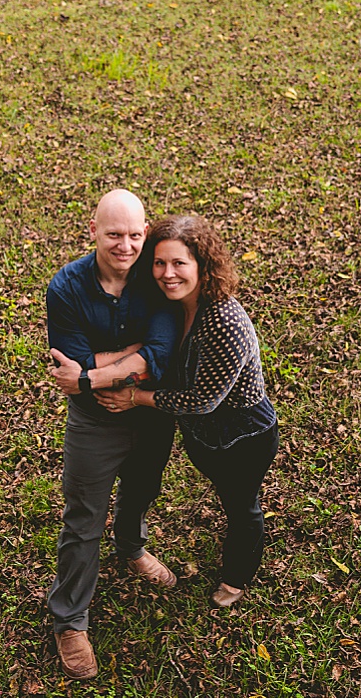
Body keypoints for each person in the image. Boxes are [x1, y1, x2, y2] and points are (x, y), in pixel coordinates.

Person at [88, 215, 279, 608]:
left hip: (240, 436)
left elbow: (201, 400)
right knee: (224, 494)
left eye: (179, 264)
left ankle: (236, 577)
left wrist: (134, 398)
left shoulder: (224, 321)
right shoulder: (173, 305)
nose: (168, 274)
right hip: (201, 434)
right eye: (160, 263)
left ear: (202, 266)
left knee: (241, 506)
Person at [43, 189, 181, 680]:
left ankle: (131, 547)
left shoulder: (157, 276)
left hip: (150, 414)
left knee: (142, 490)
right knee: (83, 517)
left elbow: (164, 352)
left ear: (146, 232)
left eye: (135, 235)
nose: (126, 245)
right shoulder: (66, 288)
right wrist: (134, 356)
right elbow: (70, 359)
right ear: (94, 232)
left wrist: (96, 371)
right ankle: (69, 620)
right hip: (96, 419)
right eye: (114, 234)